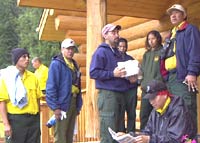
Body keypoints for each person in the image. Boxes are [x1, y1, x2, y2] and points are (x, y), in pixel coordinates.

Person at [90, 24, 138, 143]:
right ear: (105, 35)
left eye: (117, 33)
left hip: (121, 95)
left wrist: (129, 78)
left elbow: (121, 73)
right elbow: (93, 73)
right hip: (108, 96)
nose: (117, 35)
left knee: (119, 133)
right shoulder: (100, 52)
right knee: (109, 131)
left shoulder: (117, 54)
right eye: (113, 33)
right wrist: (112, 74)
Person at [160, 4, 200, 132]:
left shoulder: (190, 29)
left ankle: (190, 140)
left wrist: (192, 72)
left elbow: (195, 51)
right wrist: (165, 76)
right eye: (171, 13)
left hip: (183, 76)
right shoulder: (171, 34)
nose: (173, 15)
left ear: (184, 15)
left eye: (177, 12)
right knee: (175, 111)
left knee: (186, 109)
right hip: (171, 78)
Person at [0, 48, 42, 143]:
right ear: (16, 59)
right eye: (24, 56)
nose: (27, 59)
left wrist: (37, 118)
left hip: (33, 120)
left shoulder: (33, 77)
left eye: (28, 56)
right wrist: (6, 124)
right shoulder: (7, 78)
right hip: (16, 120)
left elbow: (38, 99)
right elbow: (2, 102)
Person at [46, 38, 82, 143]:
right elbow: (51, 87)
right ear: (62, 49)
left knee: (70, 135)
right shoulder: (56, 64)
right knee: (61, 136)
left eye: (72, 49)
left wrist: (78, 104)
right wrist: (55, 107)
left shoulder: (74, 65)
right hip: (62, 104)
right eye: (68, 49)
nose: (70, 51)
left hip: (73, 102)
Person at [139, 30, 164, 130]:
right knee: (144, 115)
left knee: (158, 115)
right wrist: (142, 83)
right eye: (149, 39)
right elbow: (143, 71)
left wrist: (157, 84)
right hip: (145, 90)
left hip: (157, 90)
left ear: (158, 38)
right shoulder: (146, 54)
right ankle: (143, 137)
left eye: (153, 38)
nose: (151, 41)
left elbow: (163, 71)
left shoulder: (162, 51)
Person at [117, 37, 138, 133]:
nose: (122, 48)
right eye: (120, 46)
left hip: (131, 89)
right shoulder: (115, 59)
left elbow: (138, 74)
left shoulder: (131, 60)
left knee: (131, 113)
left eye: (124, 46)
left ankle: (131, 133)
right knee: (120, 114)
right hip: (120, 90)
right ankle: (121, 134)